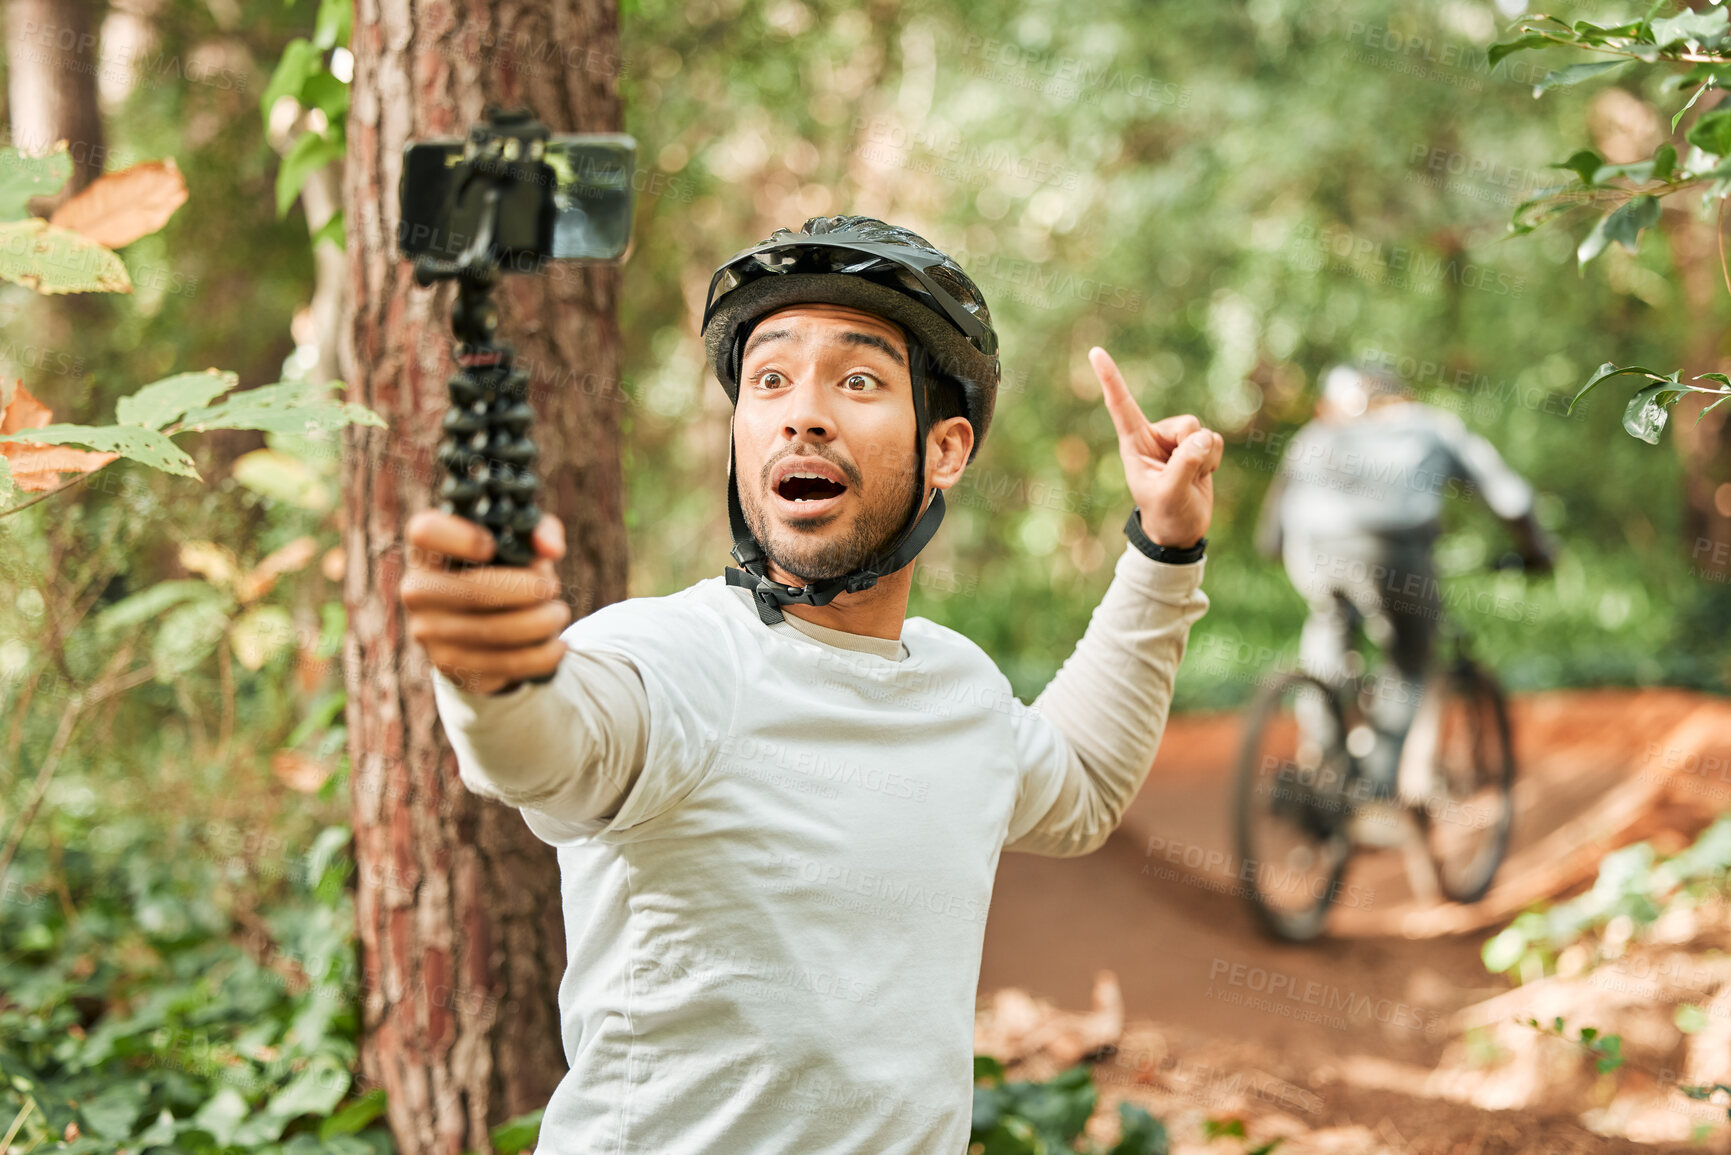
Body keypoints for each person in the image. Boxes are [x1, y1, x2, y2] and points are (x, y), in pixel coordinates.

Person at [400, 215, 1223, 1153]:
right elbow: (542, 746)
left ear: (945, 450)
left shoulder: (955, 687)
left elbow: (1078, 787)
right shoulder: (672, 657)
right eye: (770, 380)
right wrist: (490, 670)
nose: (803, 411)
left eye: (860, 379)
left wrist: (1165, 550)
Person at [1254, 362, 1555, 789]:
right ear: (1402, 394)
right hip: (1392, 555)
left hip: (1310, 554)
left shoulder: (1316, 434)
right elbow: (1510, 501)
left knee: (1329, 619)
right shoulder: (1428, 426)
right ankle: (1374, 786)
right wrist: (1537, 551)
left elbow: (1269, 539)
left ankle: (1321, 751)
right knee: (1409, 659)